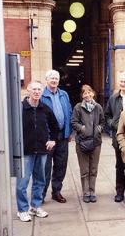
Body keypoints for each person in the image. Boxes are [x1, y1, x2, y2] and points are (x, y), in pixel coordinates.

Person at [16, 81, 59, 222]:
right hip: (25, 151)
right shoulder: (20, 108)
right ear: (28, 90)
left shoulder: (45, 108)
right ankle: (22, 209)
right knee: (23, 182)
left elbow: (55, 126)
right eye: (34, 89)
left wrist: (52, 140)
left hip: (42, 150)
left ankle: (35, 206)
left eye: (39, 89)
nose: (36, 92)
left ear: (42, 92)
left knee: (40, 180)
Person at [105, 71, 125, 203]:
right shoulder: (113, 98)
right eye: (121, 81)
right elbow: (107, 115)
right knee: (120, 166)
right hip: (118, 137)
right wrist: (112, 124)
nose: (123, 84)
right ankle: (120, 192)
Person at [41, 70, 73, 203]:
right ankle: (41, 194)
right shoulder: (42, 95)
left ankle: (56, 191)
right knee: (45, 167)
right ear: (46, 79)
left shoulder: (64, 94)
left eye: (56, 78)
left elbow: (69, 112)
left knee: (61, 165)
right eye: (52, 78)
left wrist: (69, 132)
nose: (54, 80)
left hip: (62, 136)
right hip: (48, 138)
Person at [71, 85, 104, 203]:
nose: (87, 95)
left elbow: (102, 121)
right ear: (82, 95)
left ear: (93, 93)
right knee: (84, 169)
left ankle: (92, 191)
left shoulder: (98, 107)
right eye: (85, 93)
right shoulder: (78, 108)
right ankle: (85, 192)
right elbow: (73, 122)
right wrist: (83, 129)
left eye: (89, 92)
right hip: (82, 142)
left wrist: (99, 129)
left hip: (96, 142)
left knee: (93, 168)